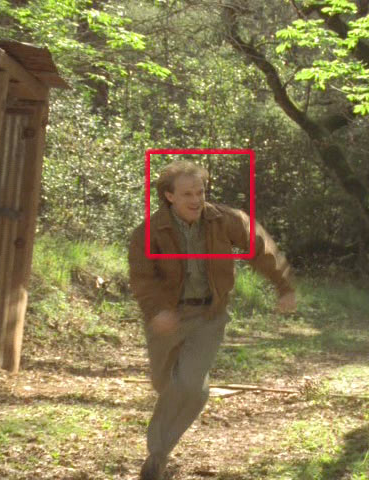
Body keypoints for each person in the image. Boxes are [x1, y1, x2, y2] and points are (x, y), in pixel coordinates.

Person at [127, 160, 296, 480]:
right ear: (169, 196)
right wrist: (157, 311)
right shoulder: (147, 232)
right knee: (167, 386)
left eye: (200, 192)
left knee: (188, 384)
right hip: (167, 318)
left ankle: (157, 456)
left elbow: (261, 249)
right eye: (187, 194)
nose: (196, 200)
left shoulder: (224, 220)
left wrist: (284, 287)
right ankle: (192, 400)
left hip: (208, 315)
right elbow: (142, 278)